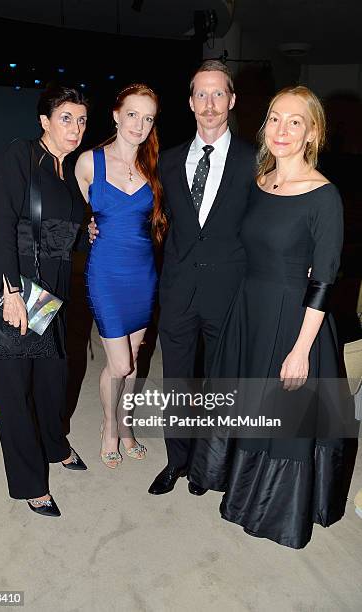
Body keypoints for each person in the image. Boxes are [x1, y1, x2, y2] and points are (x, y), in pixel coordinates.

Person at [189, 86, 356, 548]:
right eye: (274, 118)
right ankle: (236, 486)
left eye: (295, 121)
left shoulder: (324, 196)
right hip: (250, 311)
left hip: (293, 320)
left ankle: (269, 508)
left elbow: (324, 279)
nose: (282, 130)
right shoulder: (261, 181)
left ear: (312, 132)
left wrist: (301, 350)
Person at [0, 86, 89, 517]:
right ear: (45, 121)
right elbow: (0, 224)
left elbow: (60, 221)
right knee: (14, 390)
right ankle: (29, 483)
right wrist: (12, 293)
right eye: (66, 118)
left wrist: (84, 232)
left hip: (51, 288)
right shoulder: (23, 155)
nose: (75, 128)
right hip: (15, 284)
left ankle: (55, 447)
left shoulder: (68, 168)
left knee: (52, 378)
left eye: (81, 120)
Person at [146, 60, 255, 495]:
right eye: (201, 95)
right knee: (177, 379)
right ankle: (178, 461)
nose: (210, 104)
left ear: (231, 99)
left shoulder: (254, 160)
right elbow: (151, 218)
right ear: (190, 102)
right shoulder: (167, 162)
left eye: (218, 94)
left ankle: (211, 466)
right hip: (177, 290)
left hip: (229, 291)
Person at [75, 83, 165, 468]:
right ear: (116, 114)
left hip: (143, 274)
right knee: (121, 364)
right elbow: (71, 216)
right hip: (107, 274)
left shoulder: (154, 166)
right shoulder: (87, 163)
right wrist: (86, 229)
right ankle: (109, 427)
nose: (139, 124)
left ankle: (125, 424)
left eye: (148, 118)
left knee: (135, 356)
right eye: (133, 114)